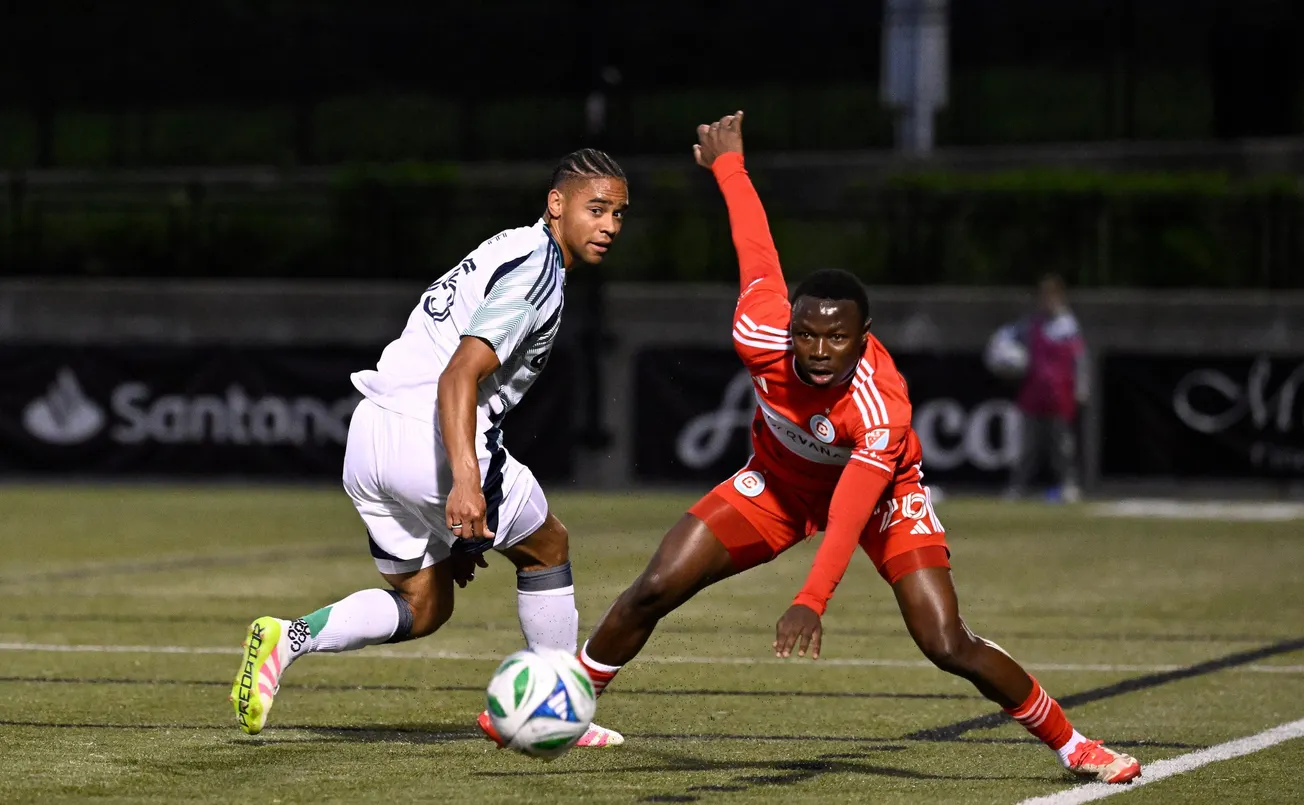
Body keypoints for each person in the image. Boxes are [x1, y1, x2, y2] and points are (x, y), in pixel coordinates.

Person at [574, 113, 1141, 784]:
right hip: (778, 487)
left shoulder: (881, 404)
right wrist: (729, 166)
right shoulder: (759, 332)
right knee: (656, 585)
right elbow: (756, 250)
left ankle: (1074, 744)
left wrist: (811, 598)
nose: (818, 351)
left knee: (944, 640)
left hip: (881, 501)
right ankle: (566, 710)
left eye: (837, 338)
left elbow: (849, 510)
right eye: (806, 334)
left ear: (864, 334)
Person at [230, 148, 629, 749]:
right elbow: (458, 374)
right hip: (432, 436)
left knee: (423, 604)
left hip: (370, 435)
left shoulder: (507, 245)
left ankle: (289, 638)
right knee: (548, 547)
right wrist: (464, 483)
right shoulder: (538, 273)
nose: (609, 225)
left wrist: (455, 523)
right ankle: (556, 713)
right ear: (556, 204)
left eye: (618, 214)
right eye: (595, 209)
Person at [1000, 274, 1088, 502]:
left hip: (1060, 396)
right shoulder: (1031, 325)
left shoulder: (1068, 327)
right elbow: (1005, 343)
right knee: (1027, 446)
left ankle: (1068, 485)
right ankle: (1017, 487)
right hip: (1033, 395)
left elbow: (1079, 360)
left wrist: (1081, 386)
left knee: (1062, 447)